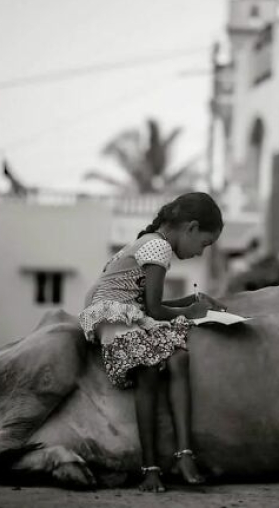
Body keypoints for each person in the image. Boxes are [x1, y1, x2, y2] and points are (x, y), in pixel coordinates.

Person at [79, 192, 225, 492]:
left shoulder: (147, 243)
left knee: (179, 358)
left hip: (126, 315)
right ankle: (150, 467)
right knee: (149, 368)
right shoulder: (158, 247)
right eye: (204, 244)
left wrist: (190, 301)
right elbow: (156, 310)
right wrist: (191, 311)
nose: (200, 253)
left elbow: (147, 302)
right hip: (116, 323)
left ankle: (184, 454)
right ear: (191, 228)